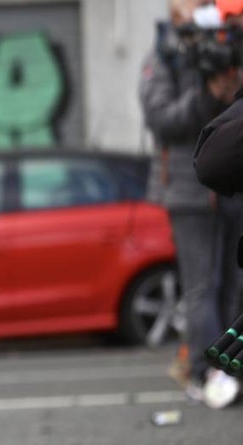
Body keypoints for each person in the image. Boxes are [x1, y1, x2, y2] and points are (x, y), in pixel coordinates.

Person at [140, 0, 243, 408]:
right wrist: (207, 95)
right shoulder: (165, 53)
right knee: (203, 286)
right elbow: (161, 118)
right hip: (187, 188)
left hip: (233, 182)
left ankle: (230, 370)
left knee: (234, 286)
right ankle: (205, 372)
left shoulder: (231, 41)